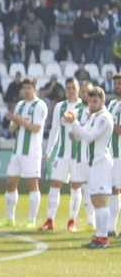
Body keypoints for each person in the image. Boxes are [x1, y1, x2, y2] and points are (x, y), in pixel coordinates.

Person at [67, 83, 116, 249]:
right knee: (95, 199)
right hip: (93, 162)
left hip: (101, 162)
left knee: (100, 199)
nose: (92, 105)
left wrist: (74, 123)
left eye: (95, 101)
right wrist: (74, 125)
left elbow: (89, 136)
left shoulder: (104, 117)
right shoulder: (94, 116)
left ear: (103, 100)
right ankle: (99, 236)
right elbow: (80, 136)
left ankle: (103, 238)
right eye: (89, 101)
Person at [42, 77, 87, 233]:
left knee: (75, 187)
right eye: (68, 88)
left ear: (78, 88)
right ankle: (50, 220)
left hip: (78, 155)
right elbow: (54, 130)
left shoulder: (84, 107)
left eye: (73, 87)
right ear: (65, 90)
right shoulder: (60, 107)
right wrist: (49, 151)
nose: (70, 91)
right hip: (62, 154)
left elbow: (87, 130)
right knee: (55, 184)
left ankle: (72, 222)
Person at [2, 78, 48, 229]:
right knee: (10, 182)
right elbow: (11, 128)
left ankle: (31, 219)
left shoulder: (40, 105)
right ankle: (10, 218)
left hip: (32, 151)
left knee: (31, 184)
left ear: (35, 88)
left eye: (29, 87)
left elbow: (36, 128)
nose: (26, 90)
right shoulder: (20, 105)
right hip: (17, 150)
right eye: (24, 88)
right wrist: (14, 121)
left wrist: (18, 120)